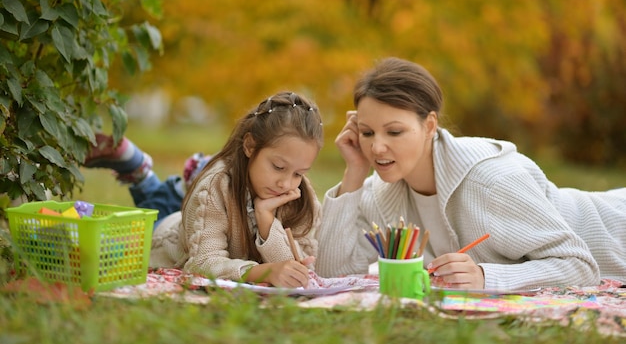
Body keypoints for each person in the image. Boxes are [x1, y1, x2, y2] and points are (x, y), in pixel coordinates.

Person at [315, 57, 626, 291]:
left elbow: (580, 265)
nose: (377, 148)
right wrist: (354, 172)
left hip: (615, 232)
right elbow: (331, 273)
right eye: (367, 132)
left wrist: (484, 276)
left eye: (394, 132)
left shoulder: (492, 181)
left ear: (429, 126)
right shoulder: (381, 191)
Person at [87, 91, 324, 289]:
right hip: (169, 238)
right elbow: (203, 263)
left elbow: (294, 274)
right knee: (145, 219)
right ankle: (138, 171)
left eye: (298, 173)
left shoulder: (301, 198)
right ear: (250, 146)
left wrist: (266, 221)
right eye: (278, 167)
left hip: (199, 215)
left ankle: (150, 175)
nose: (286, 183)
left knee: (181, 198)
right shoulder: (215, 185)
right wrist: (262, 272)